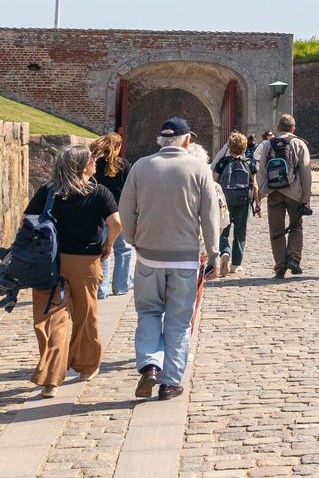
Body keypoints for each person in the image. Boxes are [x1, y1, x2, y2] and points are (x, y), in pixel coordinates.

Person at [117, 117, 226, 402]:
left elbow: (125, 211)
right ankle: (170, 382)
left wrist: (134, 240)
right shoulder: (199, 168)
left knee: (149, 312)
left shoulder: (141, 167)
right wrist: (213, 253)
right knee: (178, 321)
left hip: (149, 256)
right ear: (187, 140)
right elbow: (209, 217)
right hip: (185, 258)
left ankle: (150, 363)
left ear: (160, 141)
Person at [25, 143, 120, 398]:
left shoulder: (48, 192)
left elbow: (28, 221)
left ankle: (51, 379)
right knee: (86, 315)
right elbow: (116, 223)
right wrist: (108, 245)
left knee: (53, 319)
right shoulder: (98, 193)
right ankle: (86, 367)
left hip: (50, 262)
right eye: (91, 158)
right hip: (85, 262)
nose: (95, 161)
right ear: (81, 165)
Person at [256, 113, 313, 277]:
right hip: (294, 192)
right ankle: (293, 258)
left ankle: (280, 266)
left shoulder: (268, 144)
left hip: (274, 191)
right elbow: (306, 173)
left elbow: (261, 171)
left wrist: (262, 192)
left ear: (278, 128)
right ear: (293, 128)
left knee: (276, 229)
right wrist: (306, 199)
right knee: (296, 225)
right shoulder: (299, 144)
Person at [92, 133, 133, 298]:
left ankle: (101, 290)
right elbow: (130, 190)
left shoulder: (96, 165)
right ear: (117, 146)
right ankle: (121, 285)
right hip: (119, 212)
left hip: (100, 212)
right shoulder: (124, 165)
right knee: (123, 249)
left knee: (103, 250)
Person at [211, 131, 258, 276]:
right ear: (244, 148)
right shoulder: (249, 162)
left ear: (229, 147)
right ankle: (236, 265)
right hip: (243, 201)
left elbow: (213, 184)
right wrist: (258, 204)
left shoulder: (223, 162)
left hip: (225, 202)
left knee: (222, 231)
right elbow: (255, 185)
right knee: (240, 232)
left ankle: (225, 251)